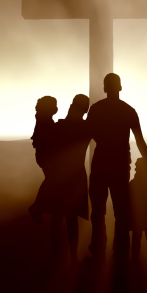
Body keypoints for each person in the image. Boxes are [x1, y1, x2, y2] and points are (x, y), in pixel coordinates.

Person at [87, 73, 147, 263]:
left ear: (104, 88)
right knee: (121, 213)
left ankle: (98, 251)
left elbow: (87, 136)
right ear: (120, 87)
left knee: (98, 211)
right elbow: (140, 142)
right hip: (120, 166)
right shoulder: (129, 110)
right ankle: (121, 253)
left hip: (100, 164)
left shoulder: (96, 109)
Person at [50, 94, 90, 264]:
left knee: (57, 218)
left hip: (60, 175)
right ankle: (72, 257)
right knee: (70, 219)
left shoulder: (61, 126)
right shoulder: (86, 128)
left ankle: (55, 257)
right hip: (75, 176)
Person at [28, 96, 58, 224]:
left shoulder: (42, 118)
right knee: (51, 179)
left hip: (43, 155)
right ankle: (37, 207)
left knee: (50, 180)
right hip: (46, 156)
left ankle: (40, 206)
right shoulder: (44, 120)